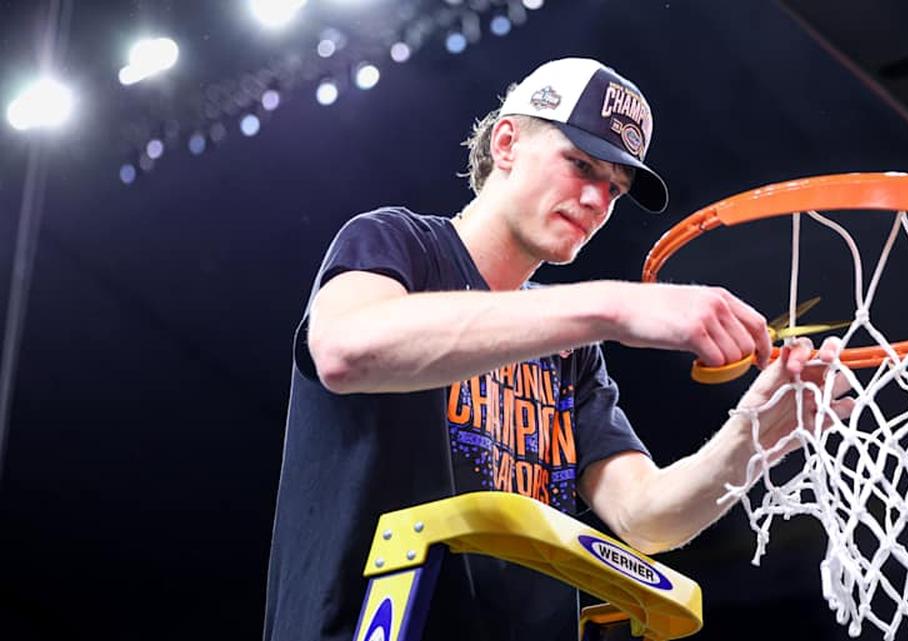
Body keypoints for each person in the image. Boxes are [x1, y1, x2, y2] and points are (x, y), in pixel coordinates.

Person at [262, 57, 851, 641]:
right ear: (508, 143)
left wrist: (754, 435)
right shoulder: (397, 242)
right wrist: (610, 307)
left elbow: (645, 519)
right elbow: (344, 348)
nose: (598, 199)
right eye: (581, 165)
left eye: (615, 188)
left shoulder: (571, 352)